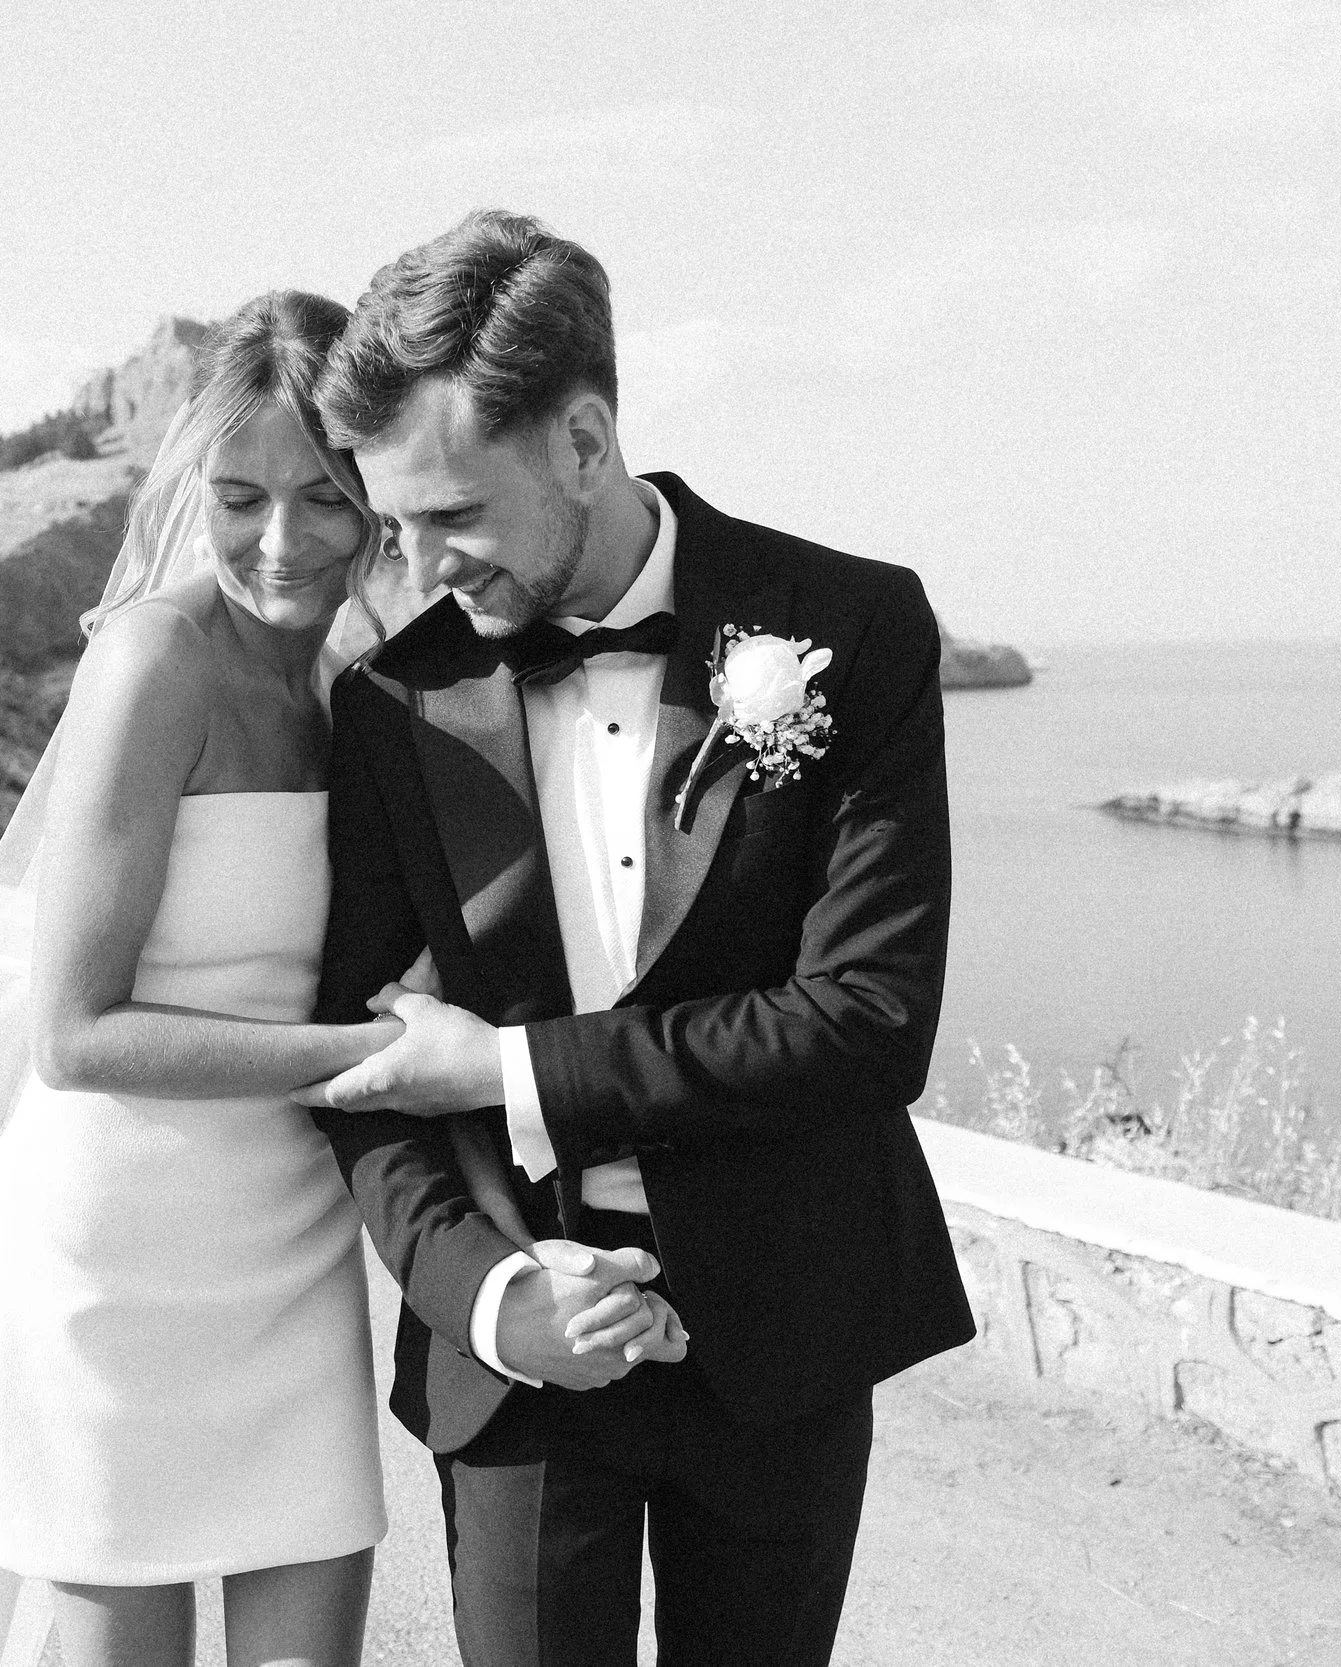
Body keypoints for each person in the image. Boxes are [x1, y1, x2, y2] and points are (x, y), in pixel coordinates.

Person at [0, 289, 679, 1667]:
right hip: (111, 1249)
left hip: (293, 1238)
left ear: (377, 503)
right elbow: (74, 1032)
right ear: (193, 489)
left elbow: (460, 981)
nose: (282, 540)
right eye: (240, 496)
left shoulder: (375, 691)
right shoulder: (151, 664)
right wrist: (359, 1058)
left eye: (322, 498)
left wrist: (511, 1212)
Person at [293, 210, 978, 1667]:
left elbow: (869, 1021)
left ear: (585, 441)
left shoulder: (850, 627)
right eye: (392, 525)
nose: (416, 570)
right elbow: (363, 1070)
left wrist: (515, 1068)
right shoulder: (392, 705)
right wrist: (487, 1295)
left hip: (784, 1331)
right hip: (523, 1356)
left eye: (453, 519)